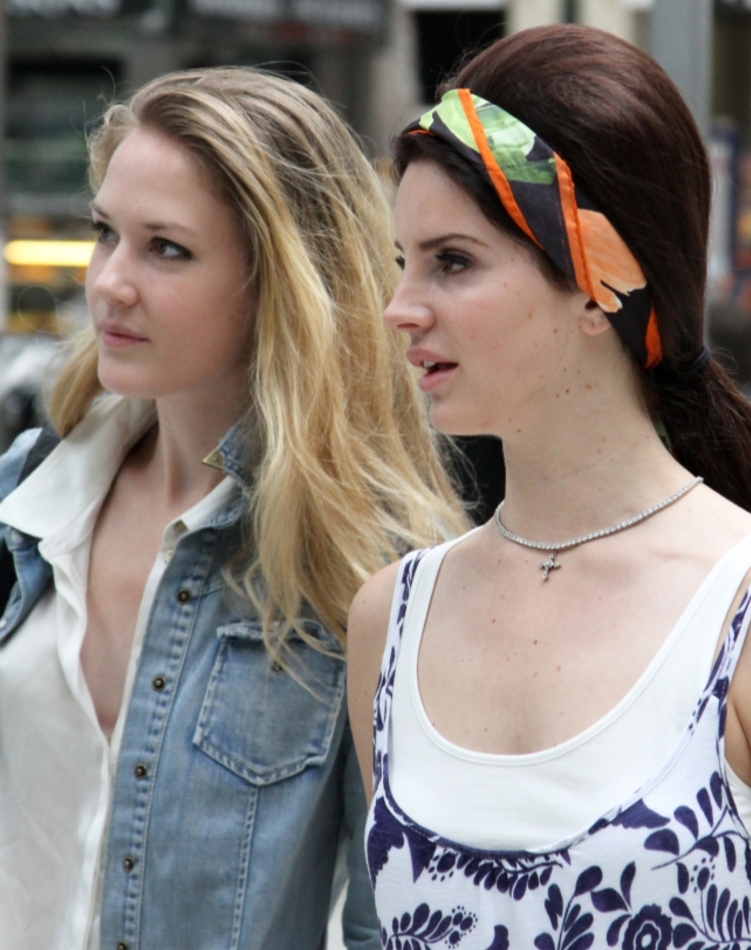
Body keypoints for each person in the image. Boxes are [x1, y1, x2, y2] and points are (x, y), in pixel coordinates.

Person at [348, 25, 751, 950]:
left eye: (454, 261)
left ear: (600, 284)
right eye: (405, 263)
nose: (402, 307)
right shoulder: (388, 619)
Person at [0, 67, 466, 949]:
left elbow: (391, 923)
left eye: (165, 248)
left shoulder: (378, 568)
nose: (110, 283)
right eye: (107, 234)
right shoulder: (25, 504)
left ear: (276, 282)